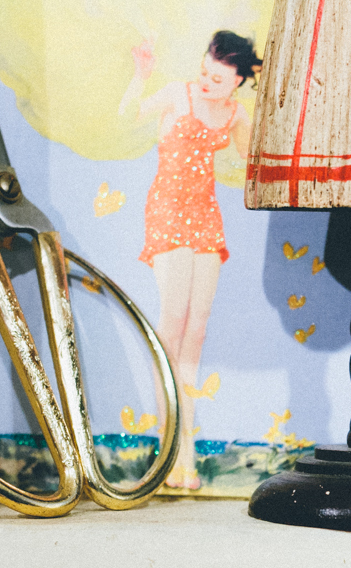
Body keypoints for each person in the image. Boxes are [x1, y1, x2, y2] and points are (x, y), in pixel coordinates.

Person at [118, 32, 262, 490]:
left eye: (217, 78)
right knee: (172, 325)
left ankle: (186, 455)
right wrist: (140, 76)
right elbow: (127, 116)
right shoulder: (177, 94)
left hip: (205, 215)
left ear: (237, 81)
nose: (206, 82)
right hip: (168, 211)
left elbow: (252, 156)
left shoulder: (236, 113)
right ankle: (171, 450)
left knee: (196, 332)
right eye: (204, 72)